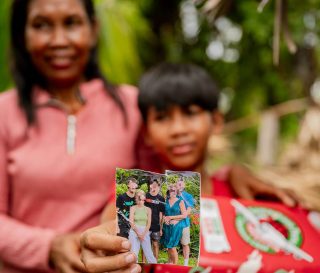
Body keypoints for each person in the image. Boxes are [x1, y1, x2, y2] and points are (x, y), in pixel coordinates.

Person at [80, 62, 302, 273]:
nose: (178, 129)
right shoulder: (135, 192)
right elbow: (111, 228)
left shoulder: (243, 192)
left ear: (215, 121)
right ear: (146, 133)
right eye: (162, 117)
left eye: (190, 113)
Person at [0, 0, 143, 273]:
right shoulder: (3, 113)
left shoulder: (133, 106)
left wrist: (227, 177)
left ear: (93, 30)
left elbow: (169, 181)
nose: (59, 40)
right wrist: (49, 247)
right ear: (22, 35)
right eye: (41, 25)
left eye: (72, 23)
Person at [160, 183, 187, 265]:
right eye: (172, 190)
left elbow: (184, 215)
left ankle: (175, 265)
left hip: (176, 226)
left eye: (175, 190)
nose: (174, 192)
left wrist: (171, 218)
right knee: (168, 246)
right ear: (169, 191)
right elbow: (164, 214)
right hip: (167, 226)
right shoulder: (166, 201)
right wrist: (164, 220)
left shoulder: (180, 201)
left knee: (172, 246)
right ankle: (169, 262)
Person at [128, 190, 157, 264]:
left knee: (148, 252)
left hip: (145, 231)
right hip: (134, 231)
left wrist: (143, 234)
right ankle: (134, 268)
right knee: (133, 252)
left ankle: (154, 267)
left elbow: (148, 224)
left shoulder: (148, 209)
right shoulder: (133, 208)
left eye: (143, 199)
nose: (141, 201)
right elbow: (131, 222)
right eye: (140, 199)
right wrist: (138, 234)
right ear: (137, 199)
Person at [144, 178, 165, 261]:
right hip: (145, 225)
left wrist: (160, 228)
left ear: (158, 187)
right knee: (145, 245)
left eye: (155, 185)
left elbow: (161, 214)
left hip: (156, 225)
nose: (153, 187)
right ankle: (143, 262)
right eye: (152, 185)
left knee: (155, 245)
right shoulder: (145, 196)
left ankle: (155, 263)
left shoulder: (161, 199)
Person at [176, 177, 195, 266]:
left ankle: (186, 263)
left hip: (184, 224)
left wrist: (180, 217)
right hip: (173, 224)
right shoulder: (172, 195)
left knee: (185, 244)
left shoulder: (188, 196)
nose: (179, 185)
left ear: (184, 185)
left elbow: (188, 211)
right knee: (172, 244)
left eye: (181, 184)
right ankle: (172, 262)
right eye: (177, 183)